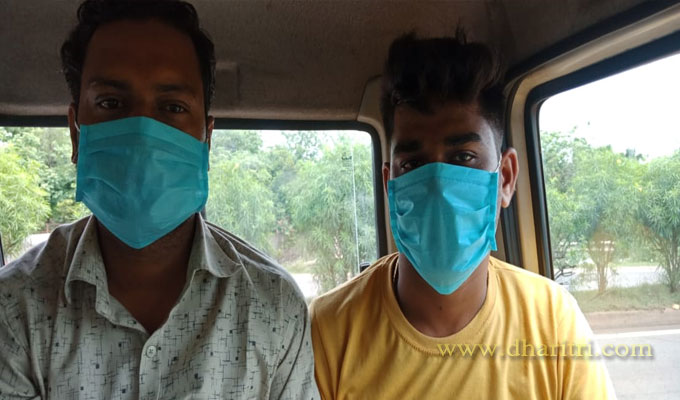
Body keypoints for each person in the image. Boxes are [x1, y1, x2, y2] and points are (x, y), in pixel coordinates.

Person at [0, 1, 319, 398]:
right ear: (75, 133)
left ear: (206, 140)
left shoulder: (274, 308)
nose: (143, 136)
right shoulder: (14, 308)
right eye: (111, 103)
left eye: (172, 108)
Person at [310, 32, 616, 399]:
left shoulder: (553, 322)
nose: (438, 187)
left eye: (463, 158)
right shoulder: (327, 331)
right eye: (413, 164)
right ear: (390, 185)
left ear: (505, 178)